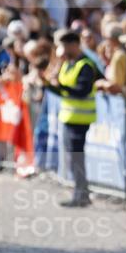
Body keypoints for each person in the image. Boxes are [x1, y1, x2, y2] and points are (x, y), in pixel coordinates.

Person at [40, 28, 100, 207]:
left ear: (74, 45)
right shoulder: (68, 63)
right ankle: (79, 193)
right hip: (68, 118)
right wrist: (50, 85)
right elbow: (63, 89)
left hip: (80, 120)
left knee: (77, 158)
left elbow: (82, 91)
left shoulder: (86, 65)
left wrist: (58, 87)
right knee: (72, 158)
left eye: (64, 46)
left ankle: (81, 195)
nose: (62, 51)